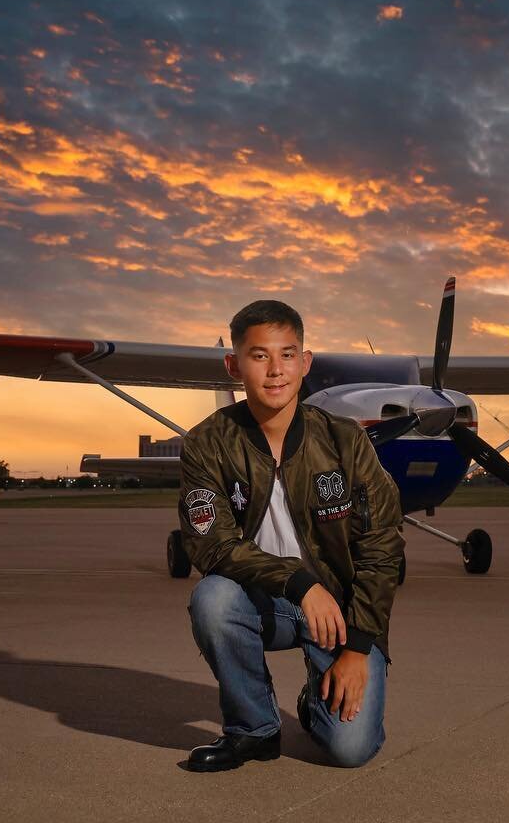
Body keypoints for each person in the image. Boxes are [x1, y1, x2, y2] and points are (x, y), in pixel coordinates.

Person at [178, 299, 404, 772]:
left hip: (340, 612)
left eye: (287, 354)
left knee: (350, 750)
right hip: (268, 602)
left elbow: (382, 548)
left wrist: (360, 646)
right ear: (233, 365)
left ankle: (312, 701)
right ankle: (253, 730)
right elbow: (211, 544)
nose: (275, 370)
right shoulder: (207, 443)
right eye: (259, 356)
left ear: (305, 363)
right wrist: (301, 584)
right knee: (213, 599)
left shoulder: (346, 441)